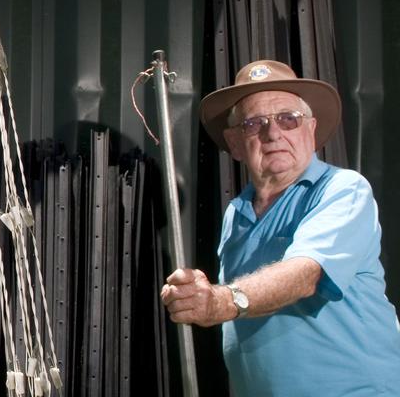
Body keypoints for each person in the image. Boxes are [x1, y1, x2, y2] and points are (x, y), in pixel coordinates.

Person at [160, 59, 400, 395]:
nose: (273, 133)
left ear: (310, 129)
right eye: (254, 123)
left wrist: (220, 301)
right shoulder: (236, 214)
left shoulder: (343, 189)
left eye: (289, 119)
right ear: (235, 142)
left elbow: (305, 274)